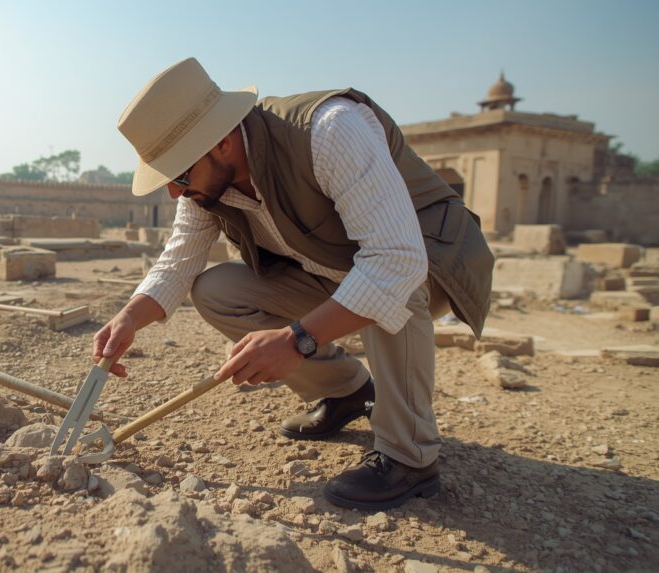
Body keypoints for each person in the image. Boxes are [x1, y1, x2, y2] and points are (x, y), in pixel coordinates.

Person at [93, 57, 493, 510]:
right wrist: (130, 315)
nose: (174, 192)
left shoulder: (329, 131)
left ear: (221, 142)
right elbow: (179, 259)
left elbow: (395, 260)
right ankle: (346, 391)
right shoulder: (205, 184)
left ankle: (409, 456)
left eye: (178, 177)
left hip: (432, 260)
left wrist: (295, 339)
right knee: (216, 291)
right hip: (338, 268)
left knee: (391, 289)